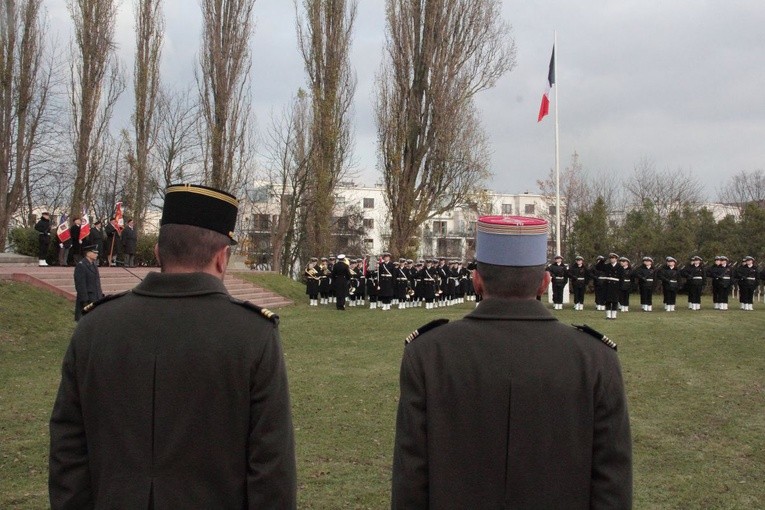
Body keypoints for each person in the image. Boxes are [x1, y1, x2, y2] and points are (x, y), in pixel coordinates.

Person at [49, 183, 297, 509]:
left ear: (157, 252)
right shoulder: (252, 334)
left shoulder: (94, 326)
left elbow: (68, 452)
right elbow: (271, 470)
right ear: (222, 258)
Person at [391, 215, 632, 509]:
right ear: (545, 283)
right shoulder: (596, 357)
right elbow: (611, 480)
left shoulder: (428, 352)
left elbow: (411, 475)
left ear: (475, 280)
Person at [73, 244, 104, 321]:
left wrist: (100, 295)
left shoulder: (94, 265)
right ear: (88, 253)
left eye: (97, 253)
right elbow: (80, 285)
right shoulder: (81, 266)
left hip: (96, 297)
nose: (96, 254)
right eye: (95, 252)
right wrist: (85, 301)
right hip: (87, 300)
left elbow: (97, 283)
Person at [596, 253, 624, 320]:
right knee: (608, 301)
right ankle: (608, 315)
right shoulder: (607, 266)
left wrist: (620, 287)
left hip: (616, 286)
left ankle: (614, 316)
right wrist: (603, 260)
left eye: (613, 258)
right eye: (610, 258)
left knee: (615, 301)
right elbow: (598, 267)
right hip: (607, 285)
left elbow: (622, 278)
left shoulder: (620, 267)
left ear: (616, 259)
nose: (612, 259)